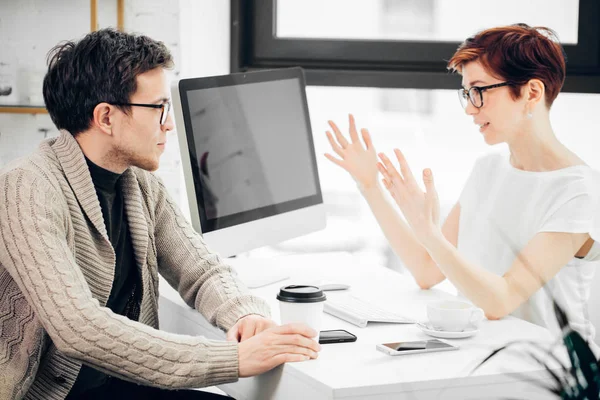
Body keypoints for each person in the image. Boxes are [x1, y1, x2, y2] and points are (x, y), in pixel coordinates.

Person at [0, 28, 320, 400]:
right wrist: (233, 359)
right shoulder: (25, 188)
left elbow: (201, 271)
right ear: (106, 117)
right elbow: (78, 329)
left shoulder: (138, 182)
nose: (169, 123)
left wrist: (244, 314)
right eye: (158, 108)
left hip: (121, 387)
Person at [325, 24, 600, 343]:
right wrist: (370, 185)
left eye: (480, 91)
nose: (470, 108)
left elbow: (502, 299)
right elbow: (427, 269)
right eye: (467, 93)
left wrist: (428, 231)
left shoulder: (579, 191)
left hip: (555, 378)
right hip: (481, 356)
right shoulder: (488, 169)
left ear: (531, 92)